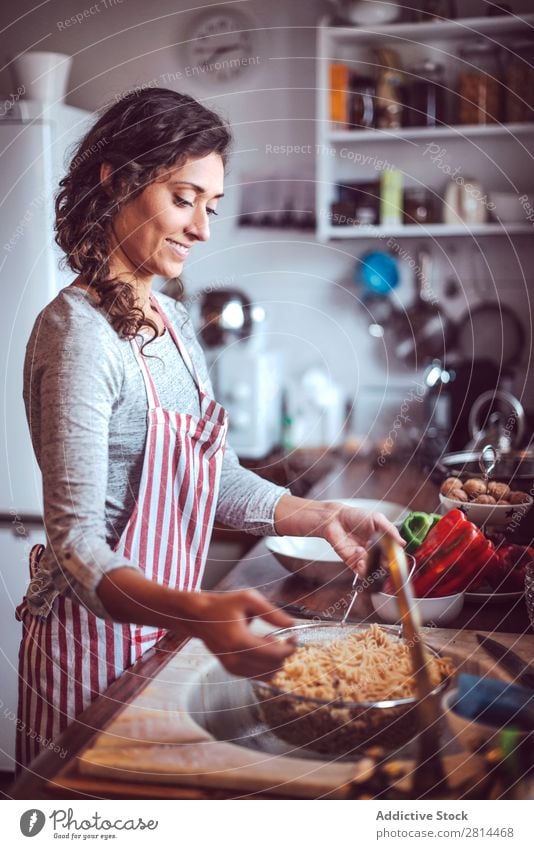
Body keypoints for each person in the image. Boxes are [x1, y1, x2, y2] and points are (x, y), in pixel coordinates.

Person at [15, 88, 403, 770]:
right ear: (118, 180)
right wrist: (198, 612)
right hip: (89, 653)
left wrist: (324, 516)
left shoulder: (172, 321)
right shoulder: (77, 334)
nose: (201, 228)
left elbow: (213, 475)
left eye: (211, 206)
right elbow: (76, 549)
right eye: (185, 197)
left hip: (157, 640)